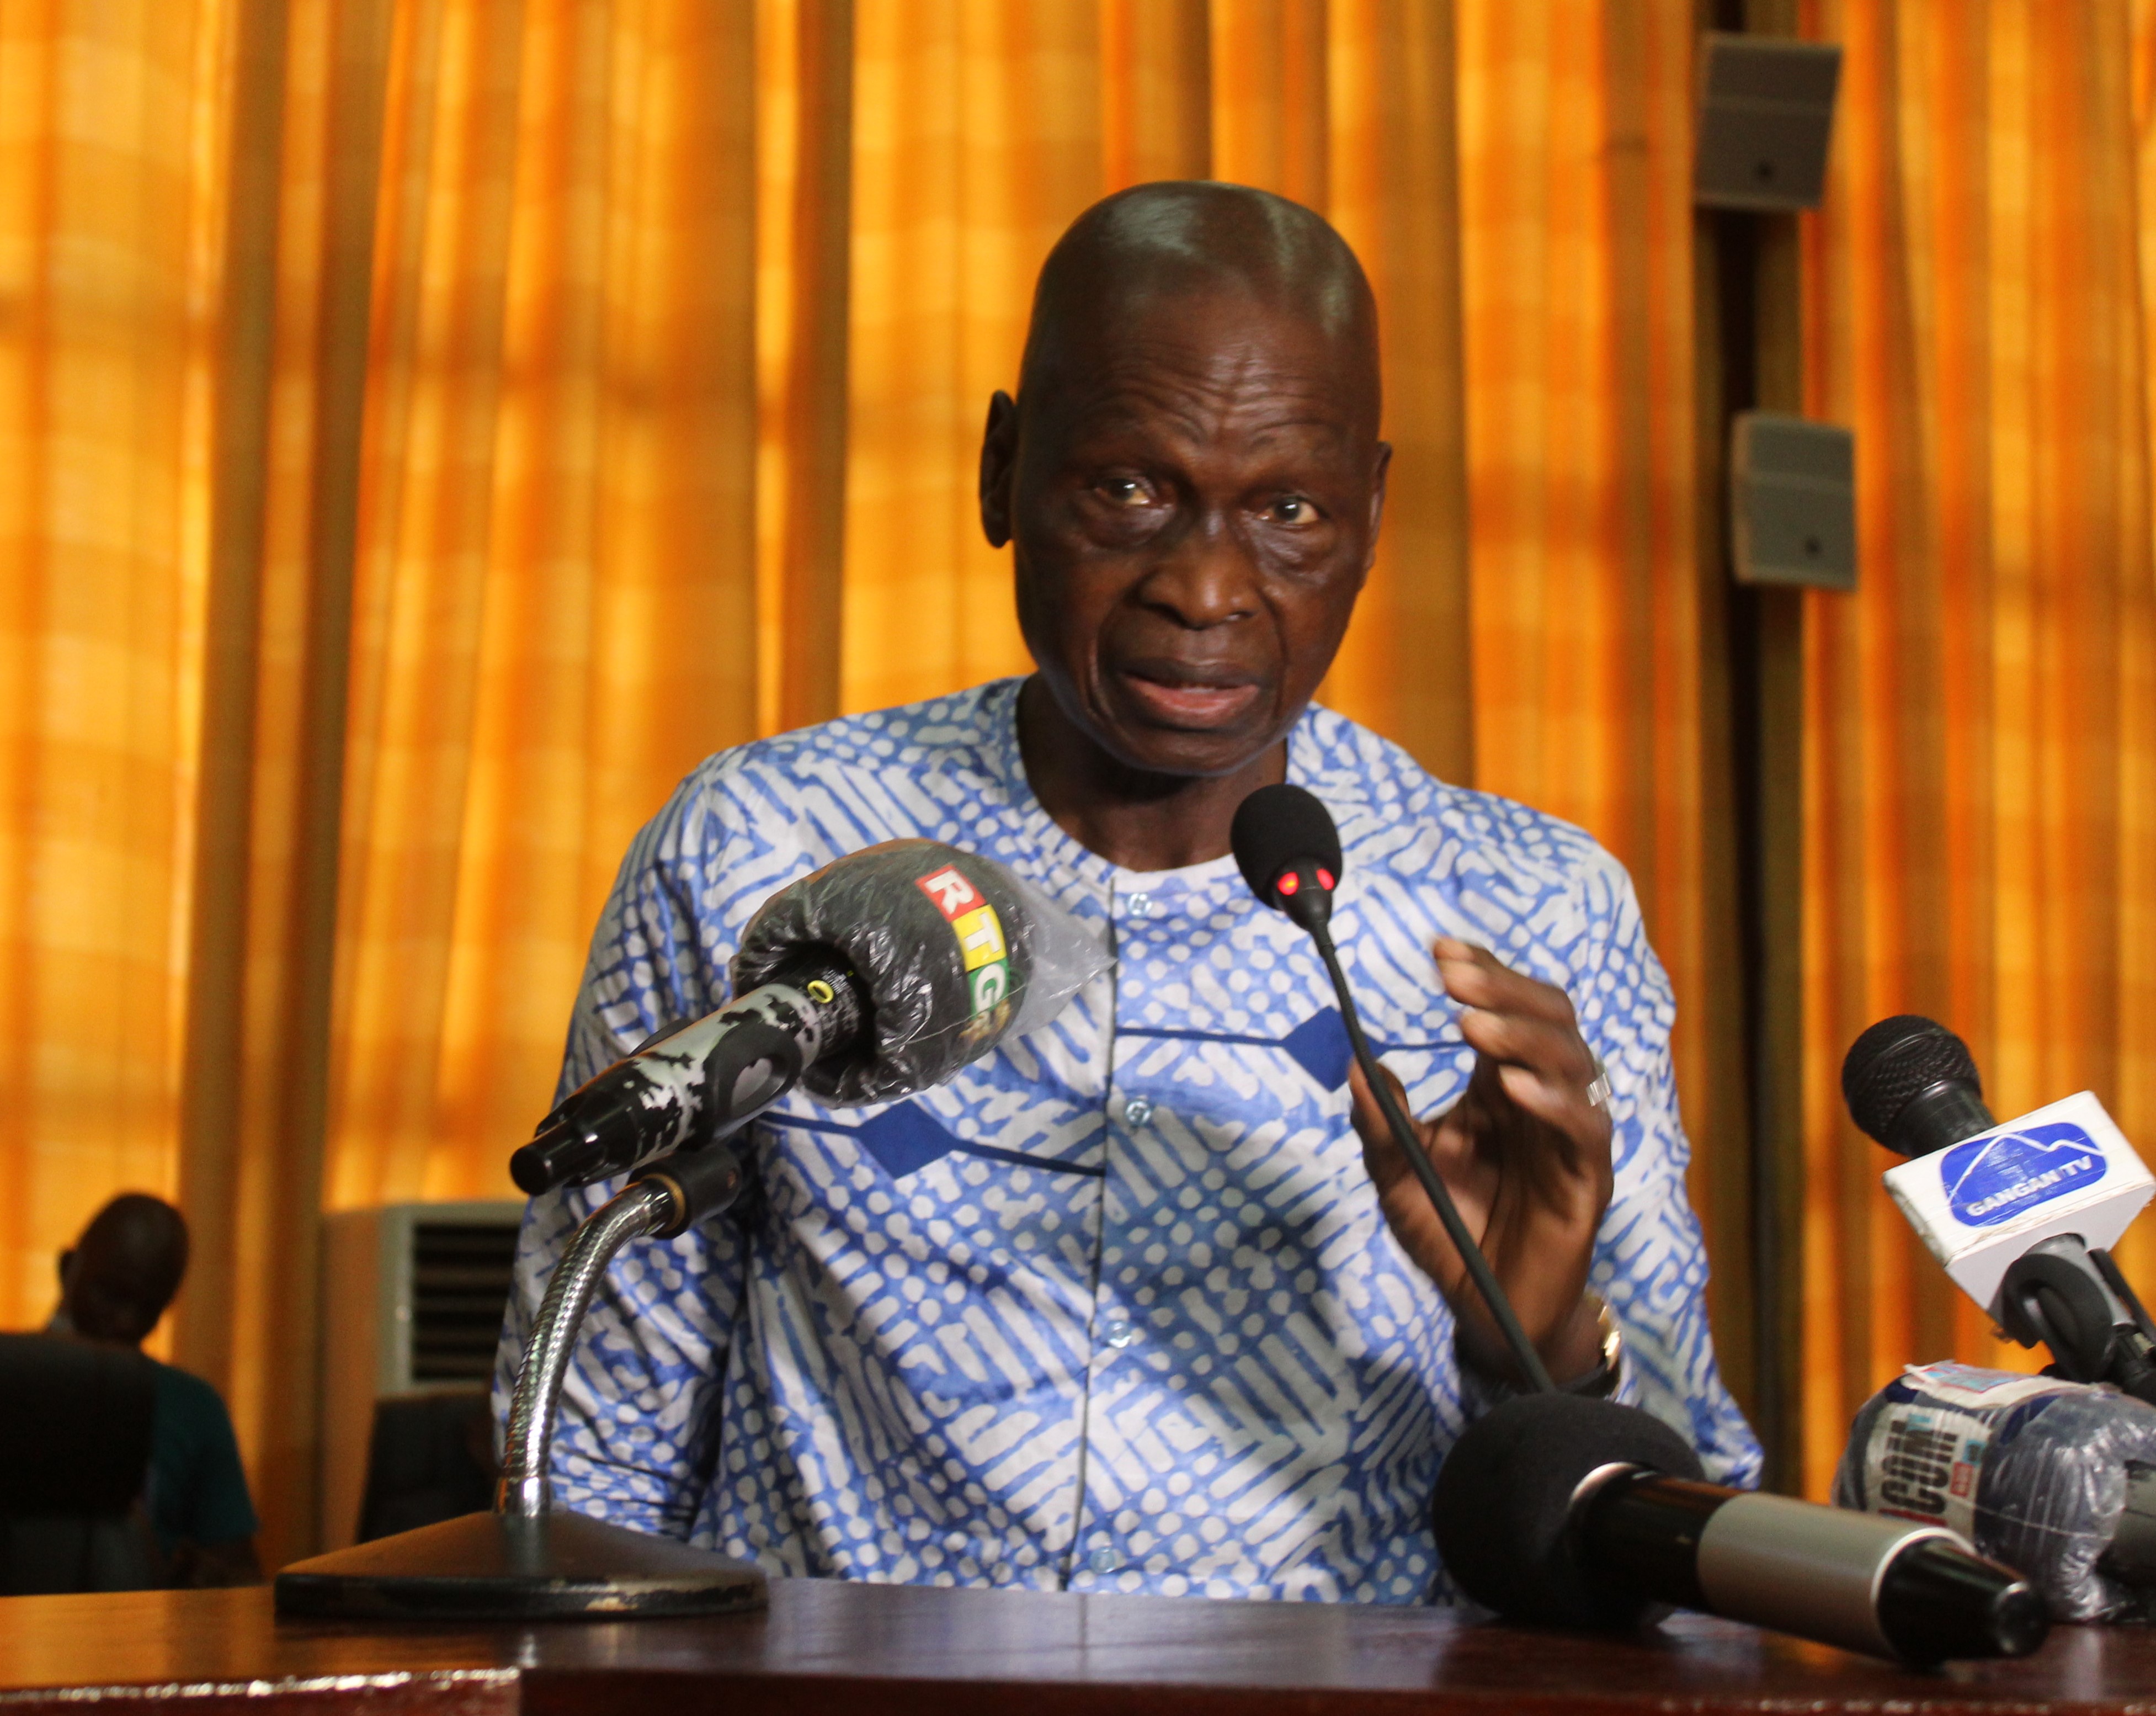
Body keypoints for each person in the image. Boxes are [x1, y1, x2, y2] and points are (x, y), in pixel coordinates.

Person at [497, 181, 1760, 1603]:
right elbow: (597, 1456)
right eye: (1130, 490)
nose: (1205, 588)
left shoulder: (1531, 909)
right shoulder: (760, 844)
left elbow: (1692, 1514)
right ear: (1003, 472)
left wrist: (1536, 1340)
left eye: (1287, 509)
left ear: (1370, 518)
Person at [50, 1194, 262, 1586]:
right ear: (67, 1270)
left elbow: (241, 1574)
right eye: (111, 1293)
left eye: (148, 1308)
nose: (126, 1322)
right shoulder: (13, 1383)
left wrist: (207, 1581)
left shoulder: (194, 1408)